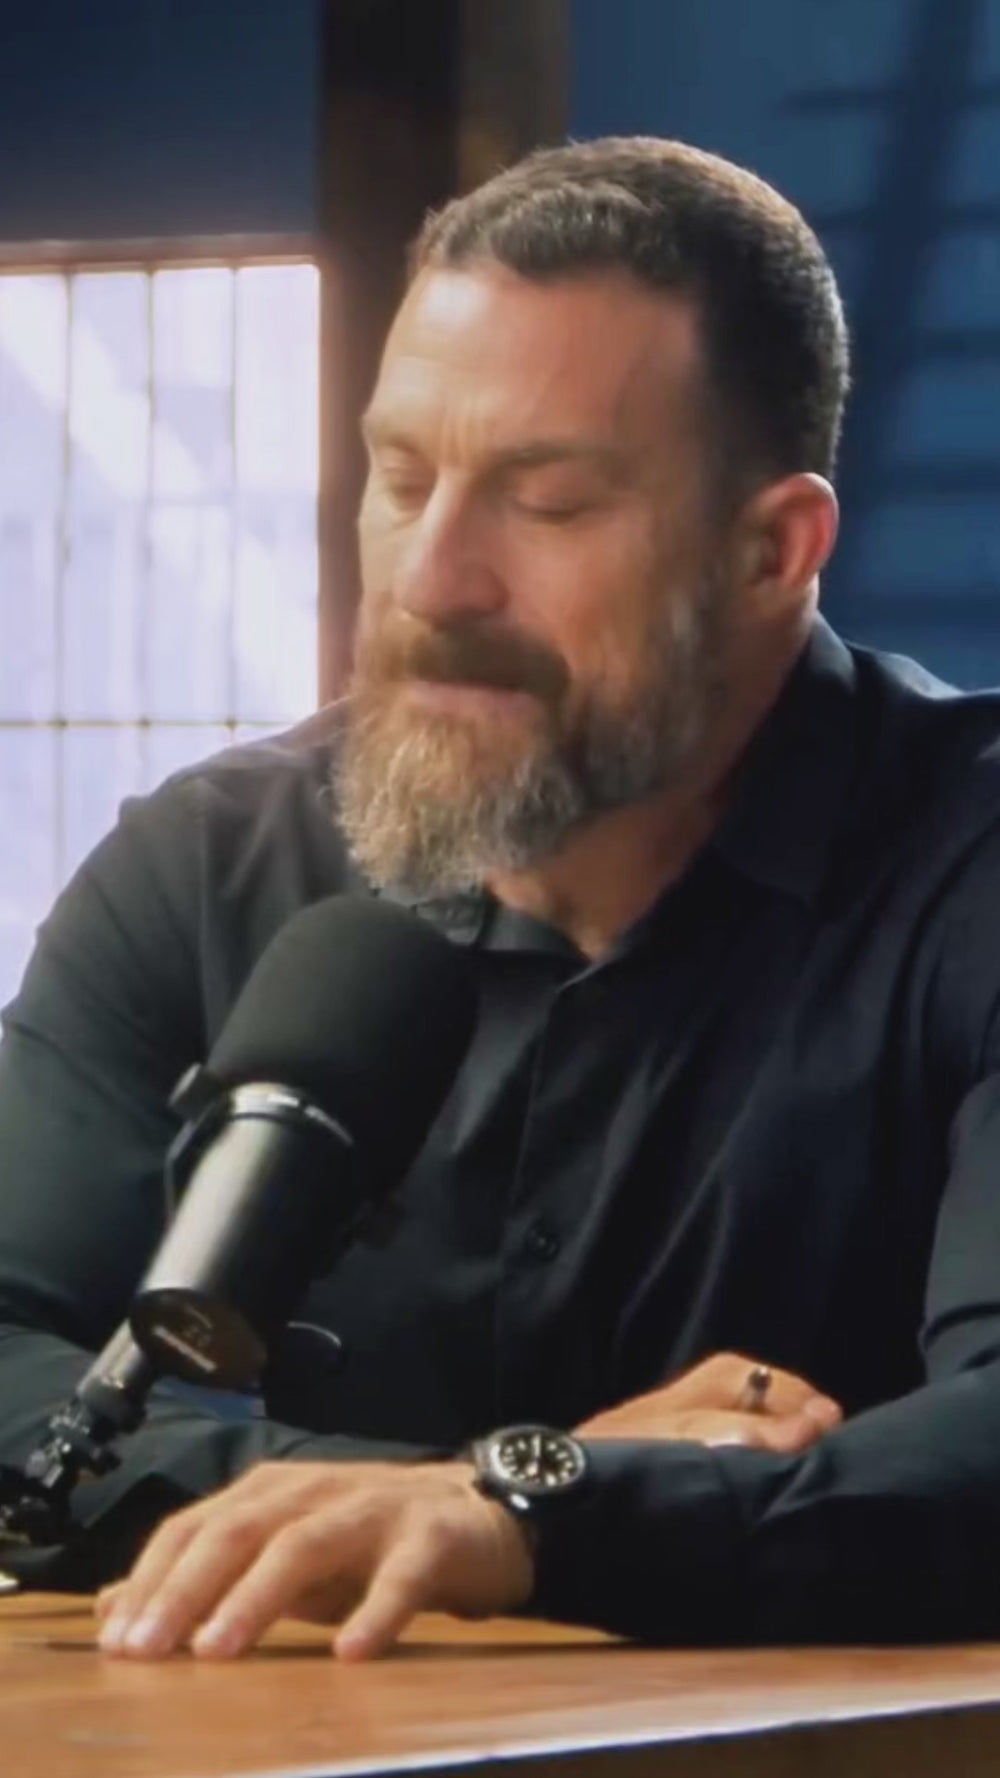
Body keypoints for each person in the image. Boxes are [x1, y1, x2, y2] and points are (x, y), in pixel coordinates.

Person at [2, 134, 1000, 1665]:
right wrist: (506, 1498)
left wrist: (524, 1518)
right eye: (402, 479)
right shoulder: (209, 864)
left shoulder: (969, 868)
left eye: (547, 501)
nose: (430, 580)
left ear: (772, 552)